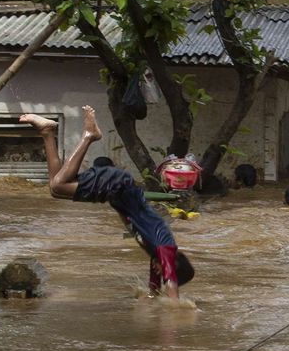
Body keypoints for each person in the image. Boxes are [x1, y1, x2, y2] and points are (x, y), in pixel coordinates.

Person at [20, 106, 193, 299]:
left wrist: (151, 304)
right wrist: (175, 319)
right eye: (164, 273)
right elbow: (171, 288)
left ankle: (47, 132)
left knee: (55, 188)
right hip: (117, 185)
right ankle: (89, 135)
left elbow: (154, 292)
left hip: (114, 191)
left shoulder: (156, 254)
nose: (159, 273)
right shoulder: (166, 250)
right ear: (173, 267)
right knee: (60, 185)